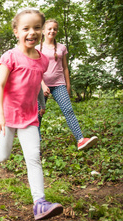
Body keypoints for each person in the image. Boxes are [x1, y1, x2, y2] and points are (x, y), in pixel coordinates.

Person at [0, 9, 63, 220]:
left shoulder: (43, 60)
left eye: (37, 28)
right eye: (26, 28)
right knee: (3, 154)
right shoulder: (10, 56)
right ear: (16, 32)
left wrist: (41, 102)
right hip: (6, 116)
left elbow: (35, 84)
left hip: (29, 117)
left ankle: (40, 203)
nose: (32, 32)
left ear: (43, 31)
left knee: (33, 157)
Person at [37, 19, 98, 150]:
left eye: (54, 29)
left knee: (68, 110)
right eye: (49, 28)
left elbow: (65, 68)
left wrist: (68, 86)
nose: (52, 31)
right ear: (43, 31)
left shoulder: (61, 48)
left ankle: (80, 140)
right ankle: (35, 144)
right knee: (38, 114)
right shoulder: (37, 48)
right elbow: (36, 69)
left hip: (59, 84)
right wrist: (42, 84)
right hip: (41, 85)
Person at [0, 78, 46, 157]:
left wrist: (42, 105)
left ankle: (34, 153)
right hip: (9, 107)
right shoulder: (11, 67)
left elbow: (38, 86)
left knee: (31, 128)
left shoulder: (34, 70)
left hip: (26, 109)